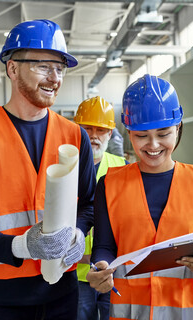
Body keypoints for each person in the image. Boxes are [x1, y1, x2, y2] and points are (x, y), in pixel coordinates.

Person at [0, 19, 96, 320]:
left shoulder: (74, 136)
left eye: (60, 68)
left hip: (61, 291)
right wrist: (22, 246)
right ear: (13, 68)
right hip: (1, 298)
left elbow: (89, 205)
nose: (54, 78)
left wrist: (80, 234)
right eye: (44, 66)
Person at [87, 74, 193, 319]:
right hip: (132, 310)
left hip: (186, 310)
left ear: (178, 127)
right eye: (141, 135)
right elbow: (104, 247)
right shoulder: (109, 185)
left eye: (163, 133)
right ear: (128, 133)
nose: (153, 144)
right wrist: (101, 267)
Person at [73, 96, 127, 320]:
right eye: (87, 128)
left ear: (110, 133)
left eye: (101, 130)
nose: (94, 136)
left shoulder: (122, 167)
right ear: (77, 129)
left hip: (111, 270)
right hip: (75, 272)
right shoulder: (63, 169)